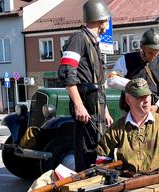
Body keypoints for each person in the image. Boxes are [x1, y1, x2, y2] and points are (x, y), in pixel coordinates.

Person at [58, 0, 113, 172]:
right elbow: (67, 74)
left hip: (95, 104)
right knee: (85, 150)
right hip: (86, 105)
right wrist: (79, 106)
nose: (107, 24)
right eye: (106, 20)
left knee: (96, 149)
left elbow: (97, 82)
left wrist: (105, 111)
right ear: (101, 20)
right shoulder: (78, 38)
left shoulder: (92, 41)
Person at [97, 78, 159, 174]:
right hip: (127, 183)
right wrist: (112, 176)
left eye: (147, 95)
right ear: (128, 100)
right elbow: (102, 158)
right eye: (140, 97)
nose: (146, 100)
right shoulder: (117, 129)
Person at [107, 28, 159, 117]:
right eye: (150, 52)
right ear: (142, 46)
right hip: (131, 114)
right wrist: (135, 85)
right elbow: (112, 80)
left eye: (157, 53)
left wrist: (157, 107)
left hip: (154, 113)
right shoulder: (126, 60)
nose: (153, 57)